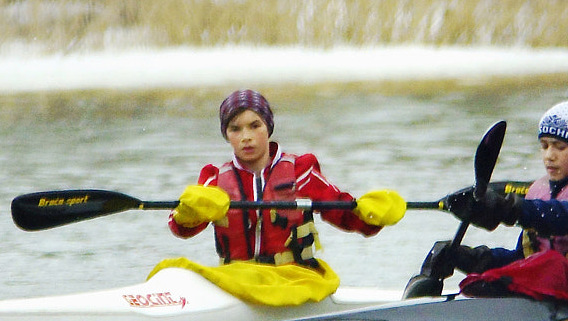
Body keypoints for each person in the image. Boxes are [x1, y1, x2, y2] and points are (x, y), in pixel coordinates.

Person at [419, 93, 568, 298]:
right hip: (553, 295)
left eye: (559, 147)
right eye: (544, 146)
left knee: (551, 264)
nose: (549, 156)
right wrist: (472, 259)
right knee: (517, 268)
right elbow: (524, 260)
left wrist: (510, 209)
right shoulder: (540, 192)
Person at [168, 89, 406, 268]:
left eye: (254, 126)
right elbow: (180, 229)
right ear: (226, 134)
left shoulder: (301, 172)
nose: (246, 137)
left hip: (294, 278)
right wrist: (189, 212)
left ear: (268, 128)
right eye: (235, 129)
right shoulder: (214, 180)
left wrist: (371, 214)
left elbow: (344, 215)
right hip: (237, 279)